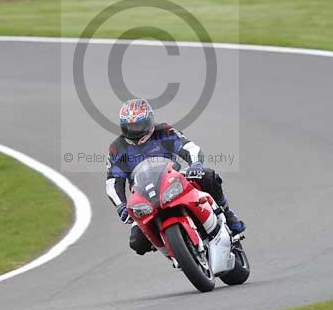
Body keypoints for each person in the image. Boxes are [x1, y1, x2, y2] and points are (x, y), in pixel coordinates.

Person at [105, 98, 246, 256]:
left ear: (149, 120)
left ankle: (227, 213)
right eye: (130, 126)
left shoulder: (164, 132)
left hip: (172, 180)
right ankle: (174, 250)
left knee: (207, 176)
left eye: (139, 125)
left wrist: (195, 165)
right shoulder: (117, 149)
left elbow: (189, 147)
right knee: (137, 242)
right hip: (143, 196)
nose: (135, 130)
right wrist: (120, 205)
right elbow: (113, 182)